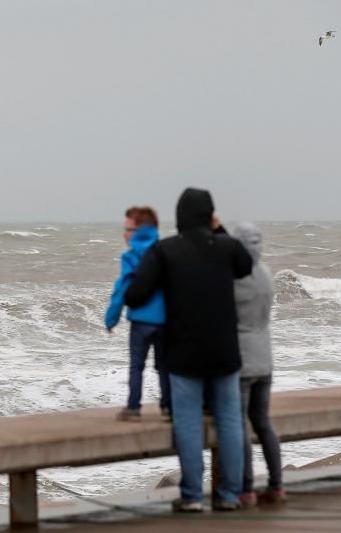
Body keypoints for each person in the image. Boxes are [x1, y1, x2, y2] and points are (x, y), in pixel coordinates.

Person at [125, 188, 253, 512]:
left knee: (187, 423)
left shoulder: (166, 251)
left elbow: (136, 294)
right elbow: (245, 266)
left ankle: (193, 496)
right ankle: (229, 495)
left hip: (182, 353)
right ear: (210, 216)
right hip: (225, 351)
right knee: (229, 422)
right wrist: (218, 229)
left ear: (179, 217)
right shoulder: (226, 247)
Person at [228, 221, 285, 507]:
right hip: (265, 357)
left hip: (241, 360)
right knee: (263, 422)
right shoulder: (265, 272)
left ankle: (246, 488)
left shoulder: (232, 277)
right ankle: (277, 484)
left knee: (239, 426)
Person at [105, 206, 171, 421]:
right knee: (164, 367)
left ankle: (133, 408)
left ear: (140, 231)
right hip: (165, 321)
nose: (124, 234)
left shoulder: (131, 257)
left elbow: (121, 290)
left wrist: (111, 318)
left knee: (137, 366)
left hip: (141, 321)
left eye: (128, 229)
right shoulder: (166, 252)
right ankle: (167, 407)